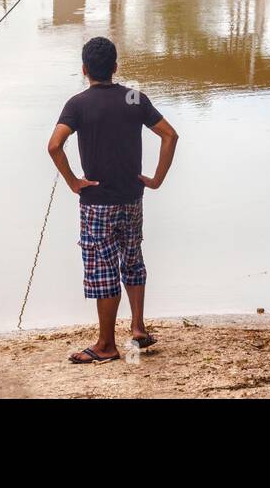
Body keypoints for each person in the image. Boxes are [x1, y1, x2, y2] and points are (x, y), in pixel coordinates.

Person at [47, 36, 179, 364]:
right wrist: (157, 179)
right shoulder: (134, 98)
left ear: (84, 70)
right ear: (115, 68)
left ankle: (106, 345)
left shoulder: (77, 104)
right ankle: (137, 327)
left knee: (103, 269)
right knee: (132, 258)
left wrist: (73, 181)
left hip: (97, 203)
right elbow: (170, 135)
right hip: (132, 197)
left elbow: (54, 146)